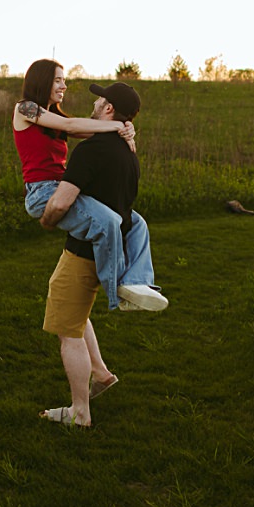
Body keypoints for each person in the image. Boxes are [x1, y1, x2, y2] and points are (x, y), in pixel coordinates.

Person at [37, 81, 166, 428]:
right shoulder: (129, 155)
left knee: (67, 331)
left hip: (83, 254)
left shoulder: (92, 151)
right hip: (107, 249)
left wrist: (47, 219)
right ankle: (102, 373)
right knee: (76, 316)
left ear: (108, 109)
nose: (94, 103)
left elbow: (63, 200)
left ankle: (80, 412)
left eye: (99, 99)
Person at [12, 59, 162, 311]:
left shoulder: (53, 117)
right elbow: (72, 126)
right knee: (108, 222)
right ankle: (117, 294)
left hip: (61, 186)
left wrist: (126, 128)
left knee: (135, 222)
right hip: (43, 193)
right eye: (58, 80)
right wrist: (116, 124)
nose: (64, 86)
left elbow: (88, 130)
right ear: (42, 80)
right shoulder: (24, 109)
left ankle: (138, 283)